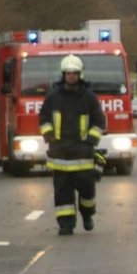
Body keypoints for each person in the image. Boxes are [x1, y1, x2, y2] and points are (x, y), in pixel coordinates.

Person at [41, 52, 106, 235]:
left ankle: (87, 214)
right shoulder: (53, 97)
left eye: (74, 73)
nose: (71, 76)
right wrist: (49, 136)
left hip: (82, 154)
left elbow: (98, 121)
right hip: (60, 153)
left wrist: (90, 141)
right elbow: (44, 118)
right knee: (62, 192)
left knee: (87, 191)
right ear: (64, 74)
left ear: (80, 74)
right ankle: (66, 224)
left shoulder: (88, 97)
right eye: (68, 72)